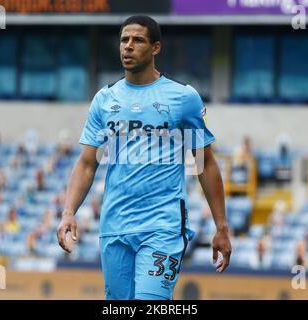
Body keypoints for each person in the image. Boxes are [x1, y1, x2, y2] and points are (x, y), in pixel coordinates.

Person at [57, 15, 232, 300]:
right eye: (124, 40)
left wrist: (221, 227)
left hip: (163, 225)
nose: (128, 46)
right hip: (114, 226)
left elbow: (205, 163)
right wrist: (68, 212)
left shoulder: (183, 98)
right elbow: (88, 164)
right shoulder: (104, 100)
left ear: (155, 48)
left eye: (137, 40)